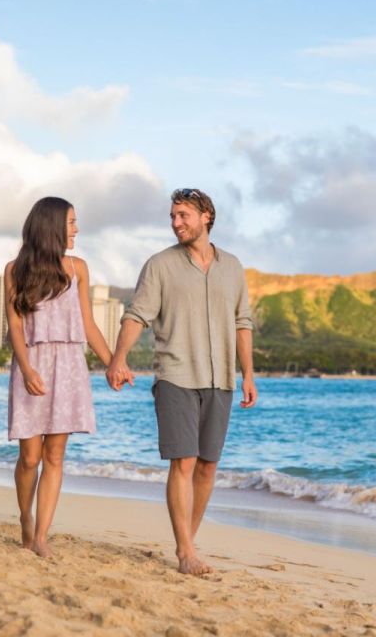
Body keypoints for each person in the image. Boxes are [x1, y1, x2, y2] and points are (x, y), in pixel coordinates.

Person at [106, 187, 257, 575]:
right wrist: (118, 358)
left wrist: (248, 375)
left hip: (220, 377)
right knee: (184, 462)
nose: (175, 223)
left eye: (183, 215)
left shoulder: (233, 267)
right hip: (175, 374)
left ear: (206, 215)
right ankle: (186, 552)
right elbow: (136, 315)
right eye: (172, 216)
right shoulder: (159, 265)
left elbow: (242, 323)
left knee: (208, 465)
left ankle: (186, 541)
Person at [4, 196, 113, 558]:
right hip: (31, 364)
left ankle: (42, 536)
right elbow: (16, 328)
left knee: (54, 456)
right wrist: (27, 368)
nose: (76, 229)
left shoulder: (78, 268)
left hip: (68, 367)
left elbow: (88, 324)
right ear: (51, 226)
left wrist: (114, 362)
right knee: (30, 458)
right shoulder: (14, 270)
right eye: (71, 222)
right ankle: (25, 517)